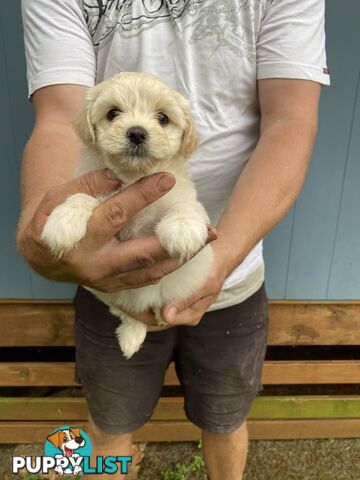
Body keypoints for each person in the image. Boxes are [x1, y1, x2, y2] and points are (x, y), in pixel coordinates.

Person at [17, 1, 330, 479]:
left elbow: (291, 119)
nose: (138, 129)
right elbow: (60, 118)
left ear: (183, 135)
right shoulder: (89, 141)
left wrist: (218, 259)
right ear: (95, 127)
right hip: (108, 289)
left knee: (226, 418)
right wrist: (51, 215)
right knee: (109, 420)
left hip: (235, 278)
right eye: (116, 114)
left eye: (161, 119)